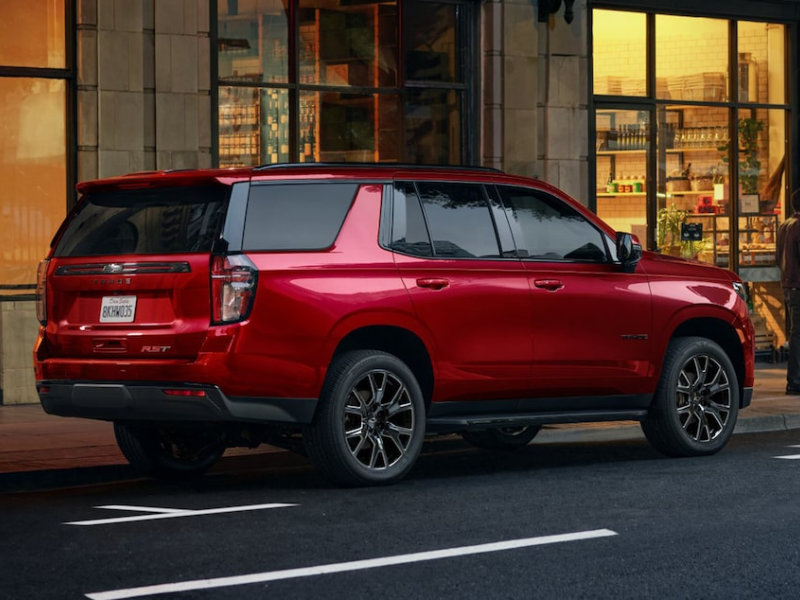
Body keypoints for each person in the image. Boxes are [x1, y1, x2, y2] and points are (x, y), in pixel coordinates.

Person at [776, 188, 800, 394]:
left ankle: (794, 380)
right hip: (798, 285)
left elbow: (778, 258)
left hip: (788, 284)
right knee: (797, 334)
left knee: (795, 333)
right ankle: (795, 381)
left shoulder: (784, 225)